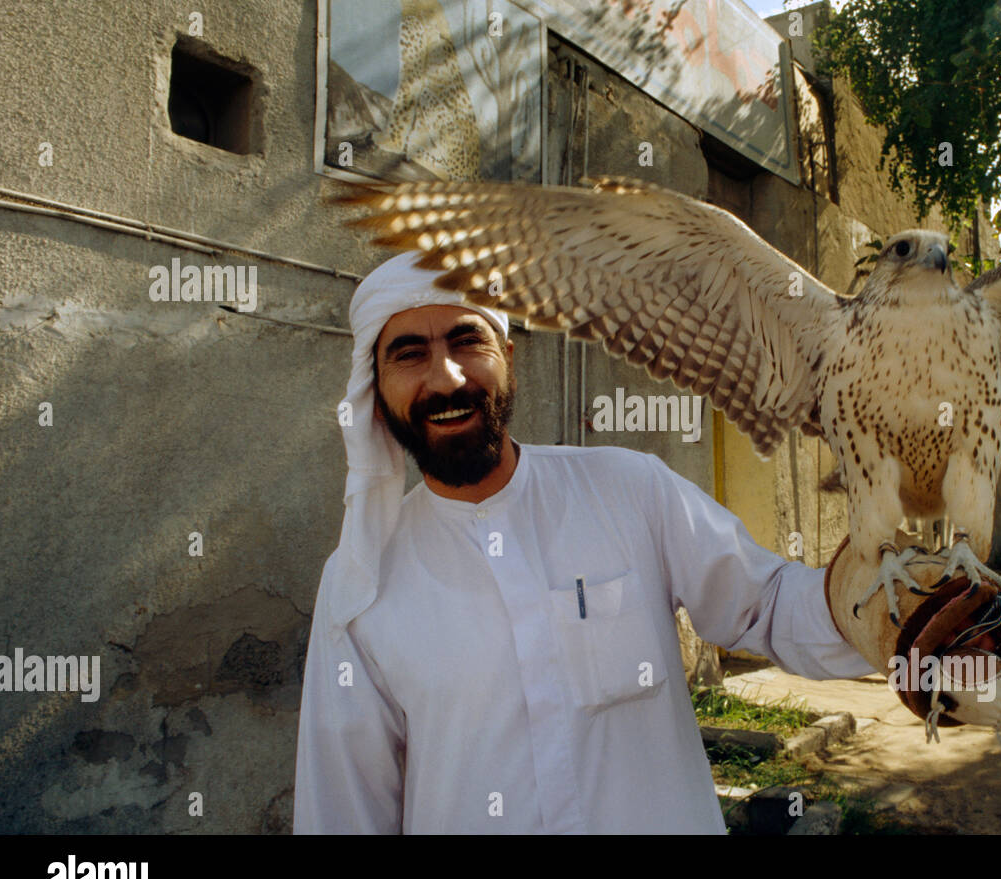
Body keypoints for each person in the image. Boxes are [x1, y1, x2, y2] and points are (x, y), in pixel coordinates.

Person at [292, 251, 875, 834]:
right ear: (376, 385)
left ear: (507, 355)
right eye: (410, 354)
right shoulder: (360, 582)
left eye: (467, 341)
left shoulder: (629, 490)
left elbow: (767, 604)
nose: (446, 378)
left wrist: (894, 613)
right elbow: (344, 807)